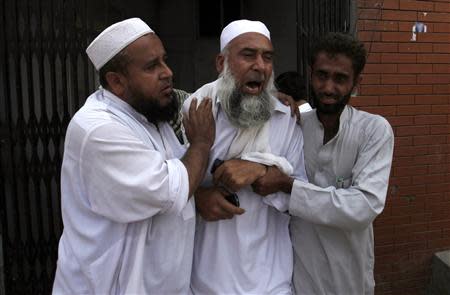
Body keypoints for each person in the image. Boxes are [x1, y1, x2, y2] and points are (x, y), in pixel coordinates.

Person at [52, 18, 215, 294]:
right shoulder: (99, 129)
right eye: (152, 66)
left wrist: (280, 101)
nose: (168, 73)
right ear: (116, 82)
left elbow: (179, 176)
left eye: (165, 61)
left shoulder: (152, 114)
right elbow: (171, 189)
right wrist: (200, 144)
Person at [252, 32, 394, 294]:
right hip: (301, 277)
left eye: (340, 79)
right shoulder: (296, 125)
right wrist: (276, 104)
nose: (328, 88)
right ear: (311, 74)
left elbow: (363, 206)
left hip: (350, 277)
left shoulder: (373, 130)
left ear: (356, 82)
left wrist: (289, 187)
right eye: (322, 75)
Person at [182, 19, 307, 294]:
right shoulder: (195, 114)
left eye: (267, 57)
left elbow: (299, 194)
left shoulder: (285, 118)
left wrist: (263, 172)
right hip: (207, 280)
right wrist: (198, 198)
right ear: (221, 63)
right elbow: (170, 187)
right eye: (248, 55)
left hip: (271, 281)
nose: (260, 66)